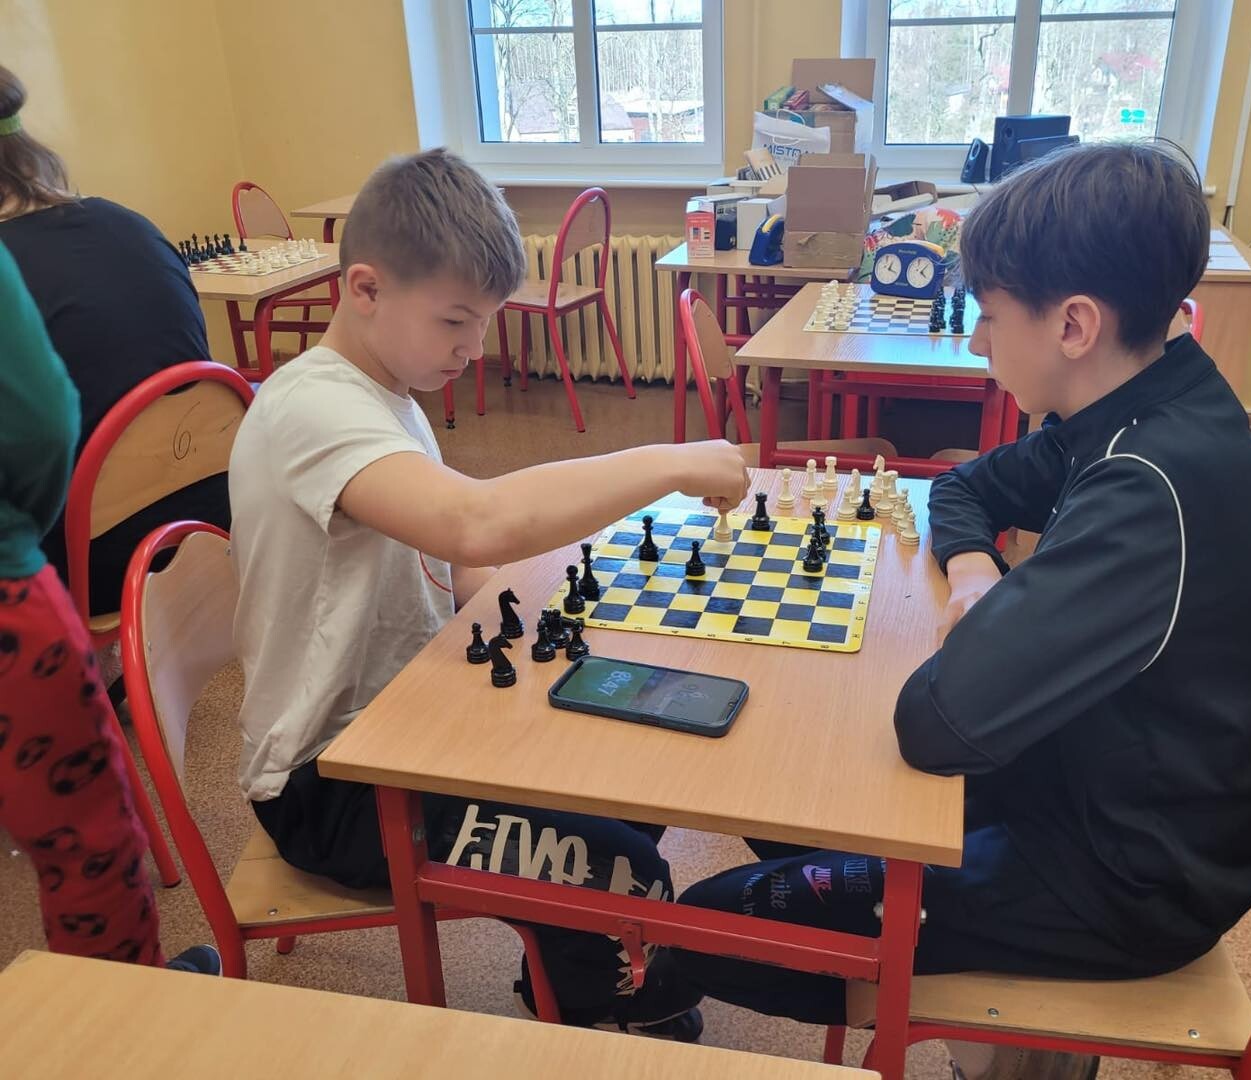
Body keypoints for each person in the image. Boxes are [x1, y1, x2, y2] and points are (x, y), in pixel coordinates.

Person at [675, 143, 1251, 1080]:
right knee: (794, 802)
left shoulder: (1147, 482)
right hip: (1093, 780)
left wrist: (985, 628)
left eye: (989, 314)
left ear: (1074, 325)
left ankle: (644, 987)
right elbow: (964, 489)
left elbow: (936, 724)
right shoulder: (1142, 402)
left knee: (708, 922)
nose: (977, 342)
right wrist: (975, 576)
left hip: (1131, 877)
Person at [227, 148, 749, 1040]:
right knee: (626, 867)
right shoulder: (310, 409)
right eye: (456, 322)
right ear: (364, 288)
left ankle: (564, 974)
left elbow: (461, 572)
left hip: (420, 723)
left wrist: (605, 609)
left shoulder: (388, 390)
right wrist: (669, 462)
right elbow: (474, 525)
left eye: (485, 323)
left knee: (645, 763)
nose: (475, 350)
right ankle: (592, 1009)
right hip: (331, 784)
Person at [0, 239, 219, 976]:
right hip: (184, 523)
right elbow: (39, 427)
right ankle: (125, 1003)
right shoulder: (130, 231)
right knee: (86, 843)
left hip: (104, 542)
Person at [0, 64, 227, 618]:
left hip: (93, 561)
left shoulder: (10, 268)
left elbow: (39, 438)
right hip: (214, 517)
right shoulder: (130, 224)